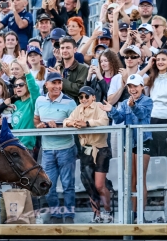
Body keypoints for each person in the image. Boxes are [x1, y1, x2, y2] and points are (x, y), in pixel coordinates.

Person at [100, 73, 153, 220]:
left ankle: (140, 215)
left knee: (140, 179)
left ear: (142, 87)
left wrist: (133, 106)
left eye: (135, 86)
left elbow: (142, 114)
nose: (132, 89)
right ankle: (133, 214)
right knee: (131, 180)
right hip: (128, 143)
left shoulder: (148, 101)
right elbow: (119, 118)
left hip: (143, 141)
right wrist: (111, 110)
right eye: (130, 86)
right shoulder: (124, 103)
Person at [34, 71, 77, 223]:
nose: (57, 86)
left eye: (59, 83)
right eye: (54, 83)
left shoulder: (70, 102)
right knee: (48, 186)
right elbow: (36, 119)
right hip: (47, 150)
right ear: (46, 85)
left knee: (68, 185)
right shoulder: (39, 100)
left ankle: (69, 216)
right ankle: (56, 214)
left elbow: (76, 123)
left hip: (66, 148)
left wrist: (57, 125)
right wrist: (40, 125)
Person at [64, 85, 111, 223]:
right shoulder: (78, 109)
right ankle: (97, 214)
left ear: (93, 97)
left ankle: (108, 212)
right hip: (85, 151)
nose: (83, 99)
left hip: (101, 150)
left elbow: (104, 122)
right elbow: (66, 122)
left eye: (86, 96)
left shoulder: (99, 106)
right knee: (89, 185)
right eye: (81, 97)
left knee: (99, 185)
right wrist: (74, 123)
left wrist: (87, 123)